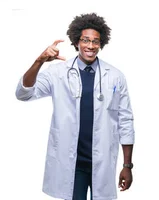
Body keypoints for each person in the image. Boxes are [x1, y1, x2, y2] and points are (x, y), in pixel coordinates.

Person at [15, 13, 135, 200]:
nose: (90, 46)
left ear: (101, 43)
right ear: (76, 41)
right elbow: (24, 93)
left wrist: (127, 166)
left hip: (102, 160)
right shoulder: (58, 73)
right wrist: (39, 61)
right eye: (85, 40)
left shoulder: (115, 76)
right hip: (72, 162)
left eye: (96, 41)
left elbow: (125, 121)